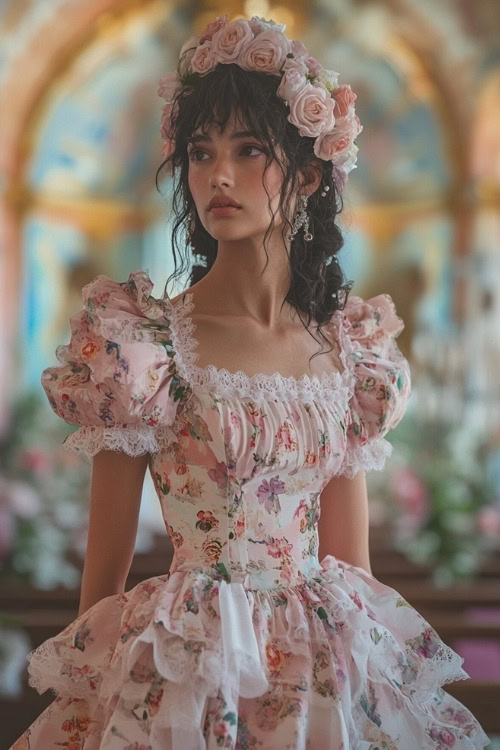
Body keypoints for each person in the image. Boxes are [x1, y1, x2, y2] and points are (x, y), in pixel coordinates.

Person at [11, 14, 491, 750]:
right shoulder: (144, 344)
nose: (218, 176)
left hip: (317, 670)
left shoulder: (347, 355)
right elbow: (101, 585)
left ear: (305, 172)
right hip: (183, 668)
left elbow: (351, 569)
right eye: (201, 153)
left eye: (246, 150)